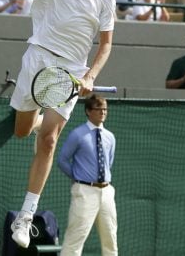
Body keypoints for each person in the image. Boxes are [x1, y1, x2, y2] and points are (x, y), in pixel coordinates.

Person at [0, 0, 115, 249]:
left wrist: (90, 75)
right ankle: (32, 118)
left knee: (49, 141)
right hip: (38, 57)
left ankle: (25, 215)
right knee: (23, 131)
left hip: (71, 71)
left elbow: (106, 44)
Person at [57, 94, 117, 256]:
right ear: (88, 111)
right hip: (84, 191)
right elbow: (62, 159)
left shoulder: (110, 137)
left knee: (110, 238)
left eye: (105, 109)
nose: (103, 112)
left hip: (106, 192)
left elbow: (108, 163)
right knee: (75, 237)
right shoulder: (77, 134)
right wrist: (77, 177)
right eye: (98, 109)